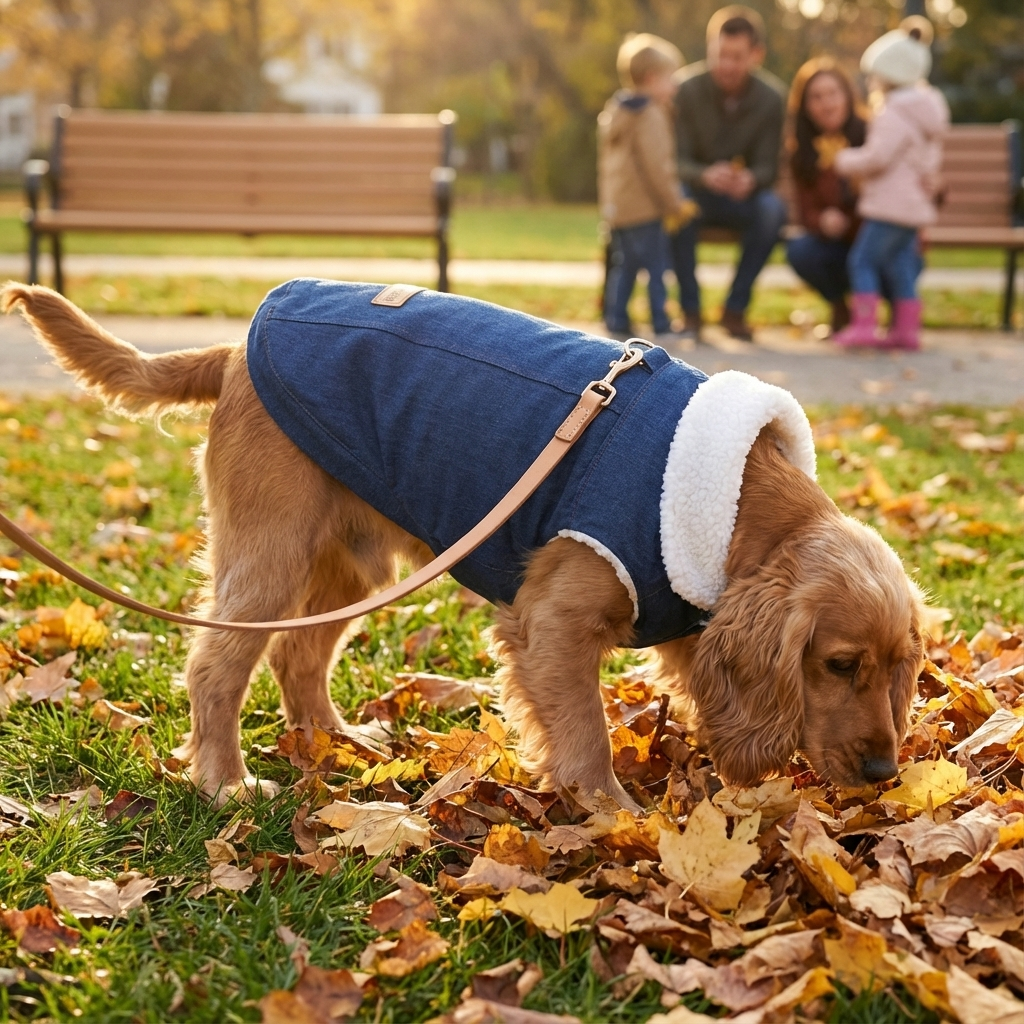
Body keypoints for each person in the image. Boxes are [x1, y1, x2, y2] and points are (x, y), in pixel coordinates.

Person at [671, 6, 787, 342]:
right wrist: (705, 175)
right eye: (720, 55)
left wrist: (751, 179)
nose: (727, 65)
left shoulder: (771, 98)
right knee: (678, 203)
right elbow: (676, 160)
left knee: (772, 210)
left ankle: (735, 310)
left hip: (743, 197)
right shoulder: (685, 89)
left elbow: (769, 166)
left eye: (736, 57)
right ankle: (690, 312)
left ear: (756, 55)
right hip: (698, 192)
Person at [833, 24, 949, 350]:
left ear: (888, 76)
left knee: (862, 261)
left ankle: (865, 326)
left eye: (874, 76)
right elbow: (929, 163)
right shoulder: (928, 111)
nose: (871, 83)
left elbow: (877, 158)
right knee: (899, 265)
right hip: (914, 208)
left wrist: (844, 160)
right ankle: (907, 331)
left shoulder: (894, 112)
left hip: (888, 207)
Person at [598, 33, 691, 338]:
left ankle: (616, 318)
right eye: (671, 79)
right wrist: (674, 203)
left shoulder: (616, 111)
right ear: (652, 79)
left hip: (620, 207)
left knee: (624, 266)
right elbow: (657, 167)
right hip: (645, 207)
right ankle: (660, 322)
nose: (675, 87)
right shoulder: (650, 114)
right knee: (656, 267)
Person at [784, 60, 867, 333]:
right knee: (800, 249)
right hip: (835, 245)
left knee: (881, 250)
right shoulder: (803, 152)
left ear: (848, 96)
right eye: (816, 97)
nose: (826, 103)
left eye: (833, 94)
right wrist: (822, 220)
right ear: (805, 107)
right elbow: (806, 211)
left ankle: (873, 318)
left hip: (871, 239)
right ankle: (840, 309)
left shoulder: (872, 135)